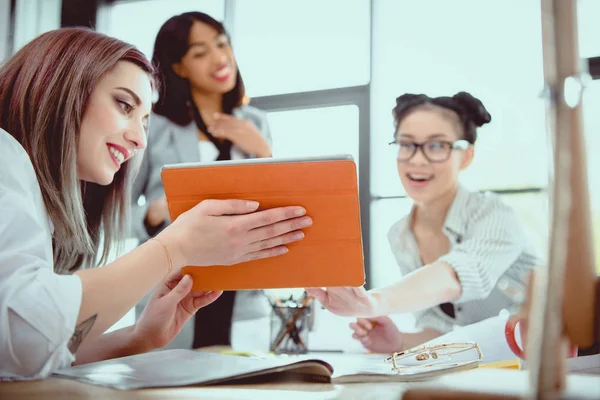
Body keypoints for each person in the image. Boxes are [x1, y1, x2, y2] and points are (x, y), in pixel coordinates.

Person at [0, 27, 311, 380]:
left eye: (144, 120)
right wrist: (173, 244)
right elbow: (22, 326)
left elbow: (23, 354)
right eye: (124, 105)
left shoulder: (254, 124)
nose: (139, 139)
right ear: (60, 87)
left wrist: (138, 338)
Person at [306, 92, 540, 353]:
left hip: (566, 357)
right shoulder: (400, 235)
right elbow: (438, 327)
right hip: (496, 365)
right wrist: (400, 342)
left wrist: (373, 302)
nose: (417, 160)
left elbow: (455, 276)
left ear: (465, 156)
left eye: (437, 146)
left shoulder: (495, 215)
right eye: (407, 145)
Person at [131, 12, 276, 350]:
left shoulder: (255, 123)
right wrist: (153, 214)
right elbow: (113, 213)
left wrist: (263, 151)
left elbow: (275, 203)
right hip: (176, 288)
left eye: (222, 44)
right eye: (200, 52)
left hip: (243, 293)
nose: (219, 57)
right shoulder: (153, 126)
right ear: (179, 67)